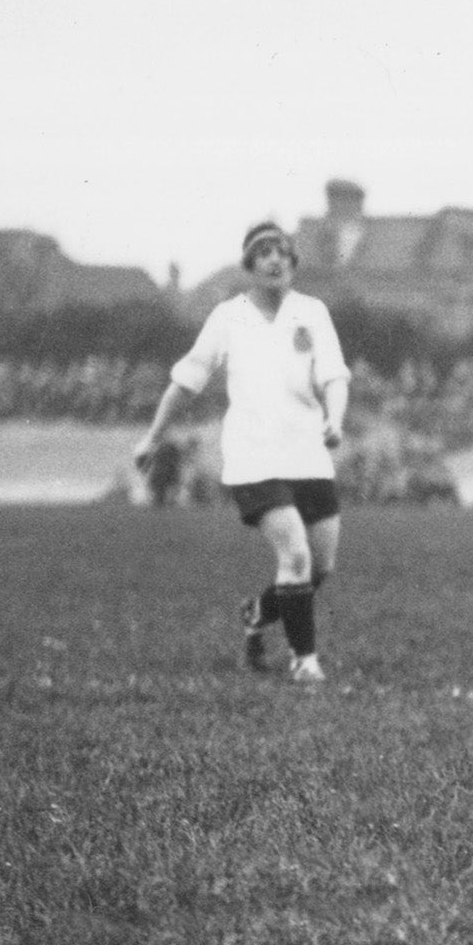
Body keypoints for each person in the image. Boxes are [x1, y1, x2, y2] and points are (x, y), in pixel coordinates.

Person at [134, 222, 351, 683]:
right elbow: (185, 381)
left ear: (294, 264)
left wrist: (335, 418)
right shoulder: (227, 317)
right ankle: (305, 660)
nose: (274, 259)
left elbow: (334, 375)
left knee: (320, 565)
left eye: (283, 252)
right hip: (253, 457)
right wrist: (152, 438)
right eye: (264, 252)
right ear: (250, 265)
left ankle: (257, 612)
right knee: (294, 556)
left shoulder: (312, 312)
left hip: (308, 454)